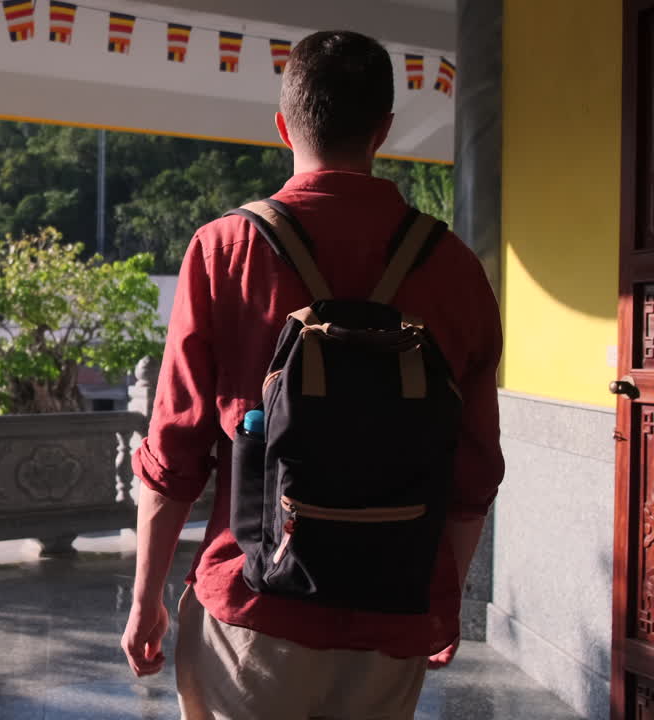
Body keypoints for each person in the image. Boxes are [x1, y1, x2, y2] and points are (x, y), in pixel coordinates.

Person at [120, 30, 504, 720]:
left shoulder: (224, 249)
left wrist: (145, 600)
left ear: (282, 124)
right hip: (391, 614)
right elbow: (473, 472)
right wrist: (439, 596)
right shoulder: (453, 267)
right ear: (383, 130)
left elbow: (175, 452)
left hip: (252, 604)